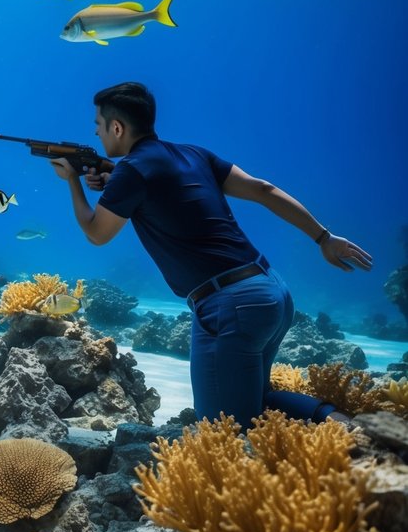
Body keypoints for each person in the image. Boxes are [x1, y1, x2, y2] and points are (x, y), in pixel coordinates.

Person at [49, 82, 373, 428]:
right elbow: (263, 189)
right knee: (254, 404)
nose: (96, 134)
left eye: (98, 126)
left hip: (229, 305)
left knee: (222, 428)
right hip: (271, 291)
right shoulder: (193, 154)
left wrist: (72, 181)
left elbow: (97, 233)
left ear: (117, 127)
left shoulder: (131, 171)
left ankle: (355, 437)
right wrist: (323, 237)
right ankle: (353, 428)